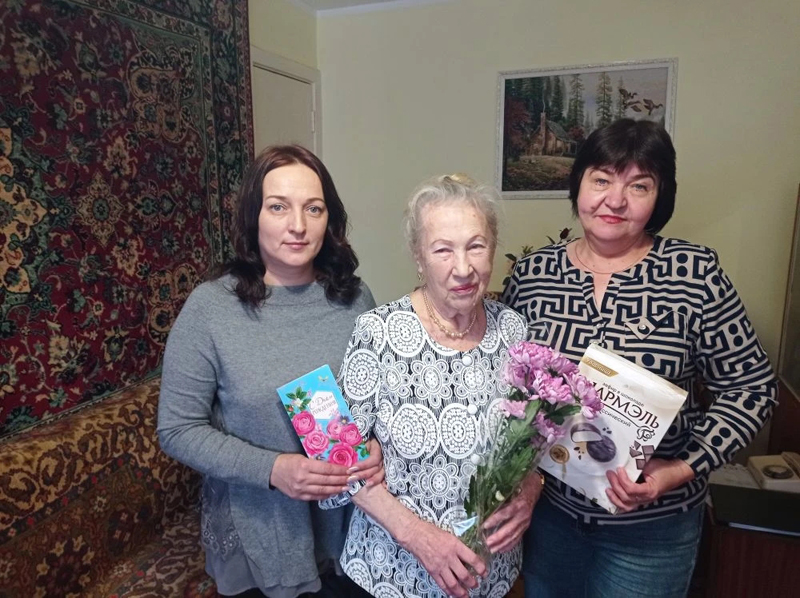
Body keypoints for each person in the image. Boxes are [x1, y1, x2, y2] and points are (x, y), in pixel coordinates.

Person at [502, 119, 778, 598]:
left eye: (639, 185)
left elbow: (751, 388)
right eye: (601, 180)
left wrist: (683, 467)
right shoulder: (533, 275)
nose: (615, 200)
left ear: (660, 197)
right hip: (552, 516)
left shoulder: (694, 274)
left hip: (653, 530)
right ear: (579, 184)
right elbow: (509, 382)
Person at [157, 145, 382, 598]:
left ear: (329, 220)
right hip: (260, 533)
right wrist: (273, 469)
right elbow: (177, 429)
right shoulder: (211, 308)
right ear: (253, 216)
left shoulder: (354, 298)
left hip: (352, 528)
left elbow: (377, 400)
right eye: (278, 207)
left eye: (313, 208)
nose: (298, 225)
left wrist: (378, 446)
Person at [322, 174, 543, 598]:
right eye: (443, 250)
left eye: (476, 246)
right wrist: (417, 536)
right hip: (392, 575)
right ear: (418, 257)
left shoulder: (514, 330)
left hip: (490, 577)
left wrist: (531, 488)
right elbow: (337, 457)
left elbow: (531, 438)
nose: (463, 268)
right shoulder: (377, 332)